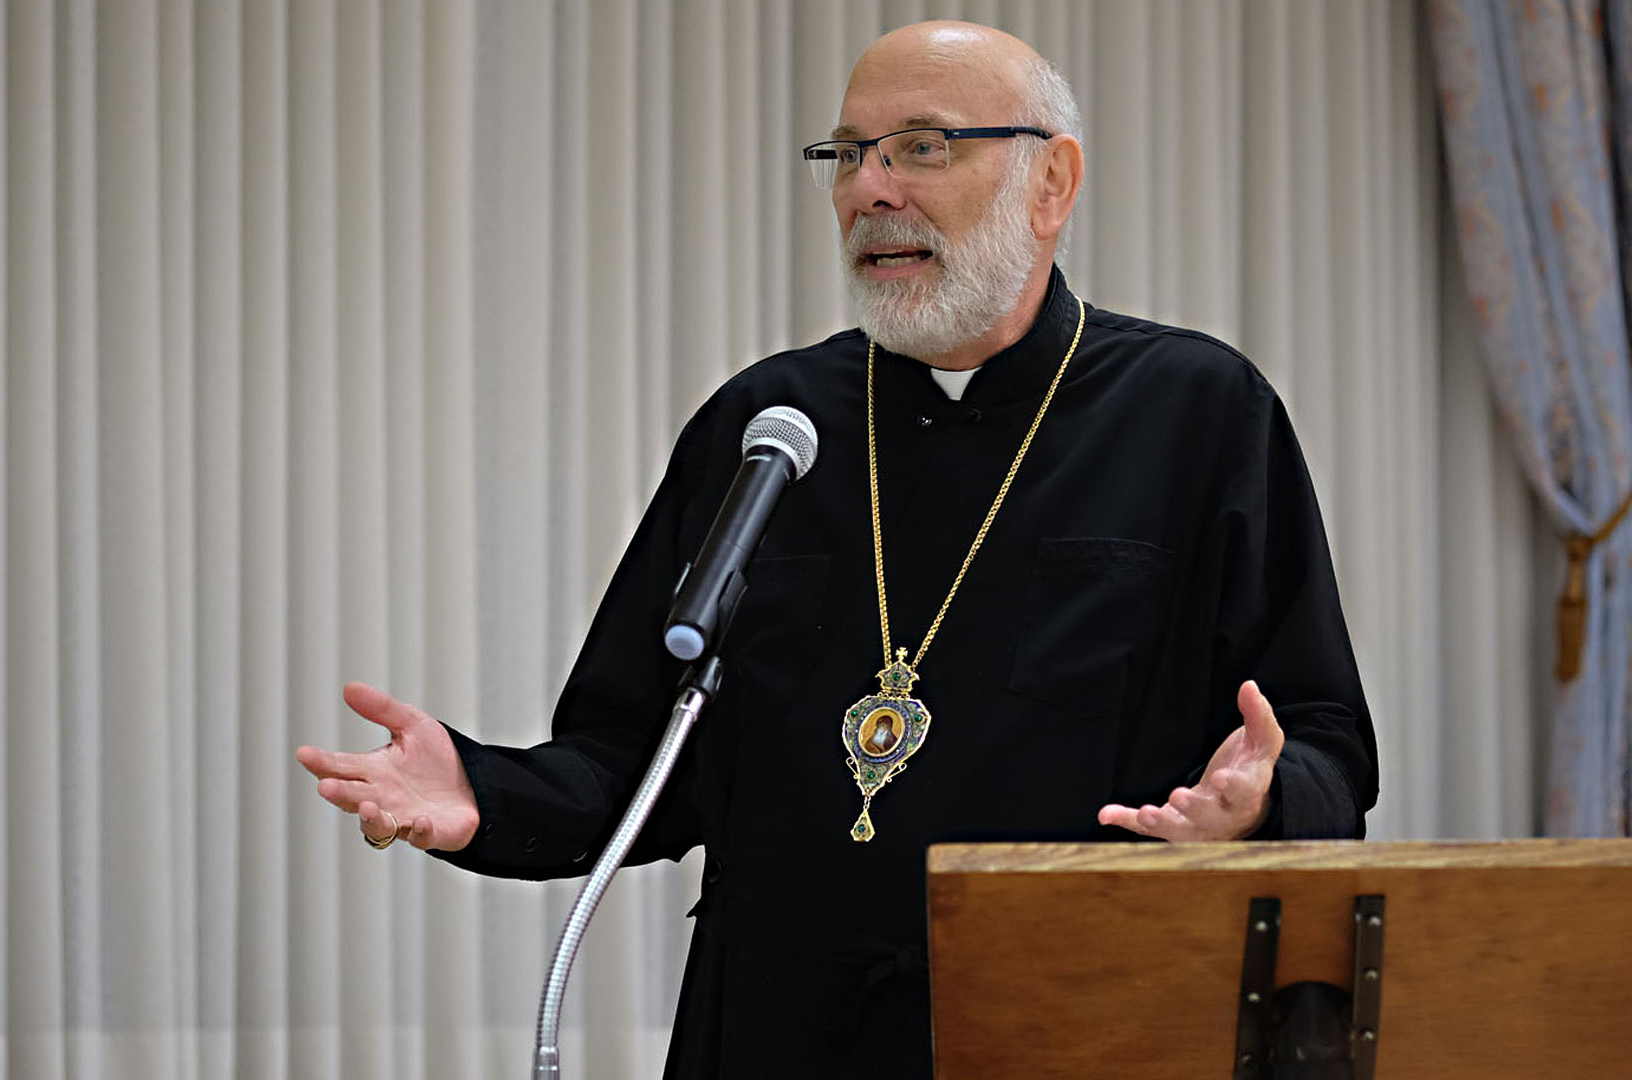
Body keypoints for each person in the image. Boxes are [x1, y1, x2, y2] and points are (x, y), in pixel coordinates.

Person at [296, 20, 1377, 1080]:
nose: (869, 189)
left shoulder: (1196, 413)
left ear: (1051, 184)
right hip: (777, 1029)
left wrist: (1264, 803)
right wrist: (485, 794)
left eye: (921, 147)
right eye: (848, 154)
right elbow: (640, 754)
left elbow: (1325, 739)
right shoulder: (770, 425)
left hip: (1074, 1015)